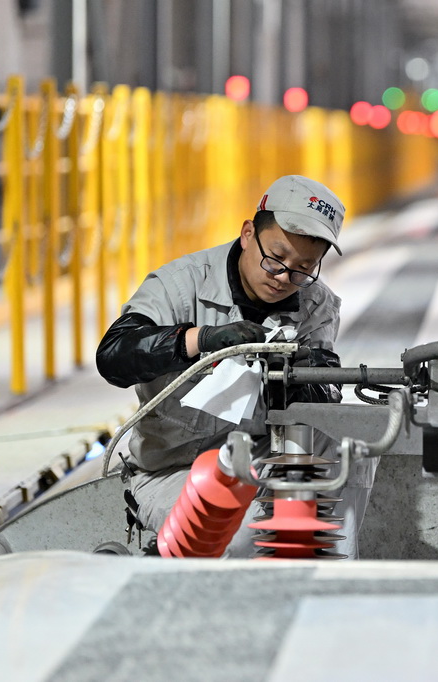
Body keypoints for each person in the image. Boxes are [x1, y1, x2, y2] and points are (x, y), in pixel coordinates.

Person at [96, 174, 364, 557]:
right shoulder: (181, 285)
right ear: (247, 233)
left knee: (350, 447)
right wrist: (198, 339)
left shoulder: (315, 304)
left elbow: (325, 397)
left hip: (264, 458)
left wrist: (302, 381)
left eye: (304, 267)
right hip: (176, 472)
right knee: (245, 537)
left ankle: (330, 578)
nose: (285, 277)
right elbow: (114, 357)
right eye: (276, 258)